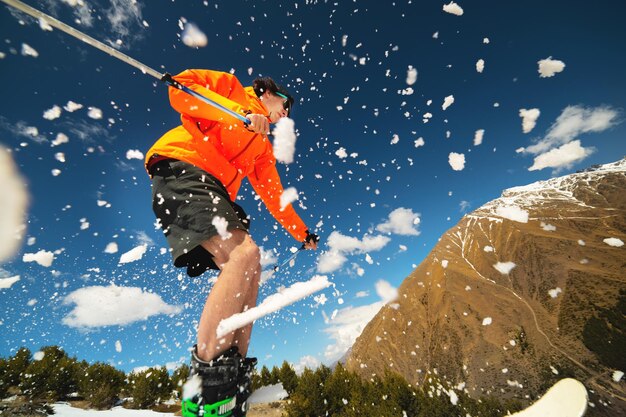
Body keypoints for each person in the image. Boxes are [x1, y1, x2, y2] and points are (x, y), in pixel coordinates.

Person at [144, 69, 319, 416]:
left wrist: (302, 234)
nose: (286, 113)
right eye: (285, 104)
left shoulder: (262, 148)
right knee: (243, 254)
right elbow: (182, 91)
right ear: (268, 91)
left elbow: (275, 198)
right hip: (182, 167)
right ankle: (206, 390)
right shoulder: (231, 91)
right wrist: (238, 115)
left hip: (214, 189)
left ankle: (231, 382)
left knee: (250, 267)